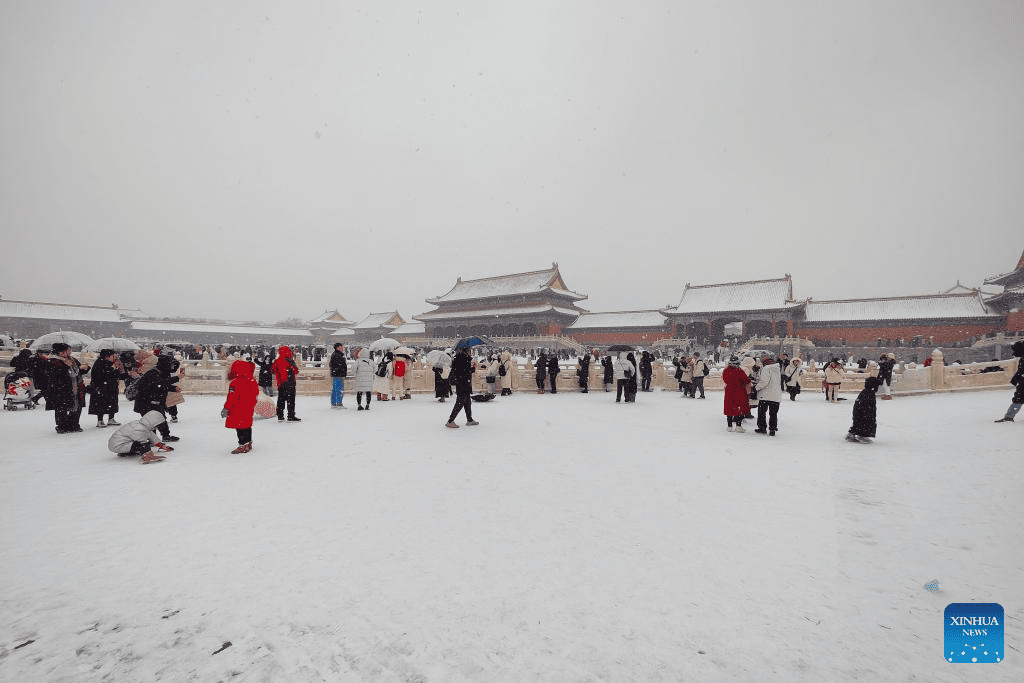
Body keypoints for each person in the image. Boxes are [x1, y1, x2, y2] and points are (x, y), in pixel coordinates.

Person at [133, 353, 182, 442]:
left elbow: (161, 384)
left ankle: (165, 436)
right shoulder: (153, 372)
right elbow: (159, 384)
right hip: (146, 401)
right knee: (151, 422)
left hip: (154, 401)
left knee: (161, 418)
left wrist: (173, 388)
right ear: (165, 364)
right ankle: (152, 440)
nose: (172, 367)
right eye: (170, 364)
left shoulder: (163, 371)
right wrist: (177, 378)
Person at [43, 342, 90, 433]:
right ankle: (62, 426)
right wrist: (65, 366)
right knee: (61, 408)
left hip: (76, 386)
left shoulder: (72, 360)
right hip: (61, 389)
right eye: (68, 350)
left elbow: (78, 371)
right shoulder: (53, 361)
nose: (70, 352)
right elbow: (54, 374)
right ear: (61, 352)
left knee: (76, 406)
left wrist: (84, 368)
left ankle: (74, 424)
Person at [107, 410, 175, 464]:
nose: (156, 427)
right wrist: (147, 451)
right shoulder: (139, 429)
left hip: (123, 442)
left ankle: (127, 451)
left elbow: (152, 437)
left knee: (139, 444)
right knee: (143, 445)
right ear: (153, 422)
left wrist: (161, 445)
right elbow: (143, 443)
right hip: (117, 445)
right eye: (157, 425)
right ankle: (148, 457)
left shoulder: (144, 426)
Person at [221, 359, 260, 453]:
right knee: (247, 425)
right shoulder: (252, 380)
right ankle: (248, 443)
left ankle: (243, 445)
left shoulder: (236, 382)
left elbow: (232, 398)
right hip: (248, 407)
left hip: (237, 408)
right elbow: (256, 393)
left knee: (240, 427)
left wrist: (226, 408)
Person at [88, 348, 124, 427]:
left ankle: (111, 419)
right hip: (102, 387)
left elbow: (116, 374)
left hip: (111, 386)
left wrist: (119, 370)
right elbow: (102, 375)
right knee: (101, 403)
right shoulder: (100, 363)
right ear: (107, 356)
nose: (114, 357)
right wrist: (113, 369)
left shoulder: (111, 363)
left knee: (112, 402)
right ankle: (100, 420)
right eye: (113, 355)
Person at [445, 346, 478, 428]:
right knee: (460, 402)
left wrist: (471, 368)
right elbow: (464, 372)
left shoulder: (459, 358)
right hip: (463, 383)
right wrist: (472, 369)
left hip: (462, 383)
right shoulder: (463, 358)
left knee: (467, 401)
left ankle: (469, 419)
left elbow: (462, 370)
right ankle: (450, 420)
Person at [994, 340, 1024, 423]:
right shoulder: (1022, 359)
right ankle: (1009, 417)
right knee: (1018, 399)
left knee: (1018, 399)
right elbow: (1021, 371)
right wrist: (1015, 379)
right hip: (1022, 383)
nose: (1014, 353)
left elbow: (1021, 371)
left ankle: (1009, 417)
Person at [846, 376, 881, 443]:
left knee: (858, 422)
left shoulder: (865, 392)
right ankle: (862, 435)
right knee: (865, 422)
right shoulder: (869, 393)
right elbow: (868, 405)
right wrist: (870, 413)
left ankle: (852, 434)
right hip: (864, 412)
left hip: (860, 411)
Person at [754, 354, 782, 436]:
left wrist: (756, 388)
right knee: (773, 413)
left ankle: (762, 427)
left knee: (762, 412)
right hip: (775, 395)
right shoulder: (777, 368)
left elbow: (764, 382)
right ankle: (772, 429)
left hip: (765, 394)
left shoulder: (766, 368)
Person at [722, 356, 751, 432]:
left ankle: (729, 426)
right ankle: (738, 426)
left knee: (730, 408)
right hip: (739, 392)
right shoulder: (739, 371)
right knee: (739, 409)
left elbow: (725, 380)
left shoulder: (726, 370)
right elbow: (746, 380)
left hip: (729, 392)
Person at [272, 345, 301, 421]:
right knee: (290, 400)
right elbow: (296, 371)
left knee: (281, 400)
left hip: (281, 384)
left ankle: (280, 415)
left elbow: (273, 370)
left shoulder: (277, 361)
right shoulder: (290, 361)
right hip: (290, 383)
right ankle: (290, 416)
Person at [328, 343, 348, 409]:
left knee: (335, 389)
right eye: (341, 347)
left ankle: (334, 403)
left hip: (337, 374)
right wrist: (340, 370)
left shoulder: (337, 354)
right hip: (338, 375)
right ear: (338, 348)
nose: (342, 348)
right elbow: (336, 365)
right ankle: (338, 403)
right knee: (338, 389)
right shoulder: (337, 355)